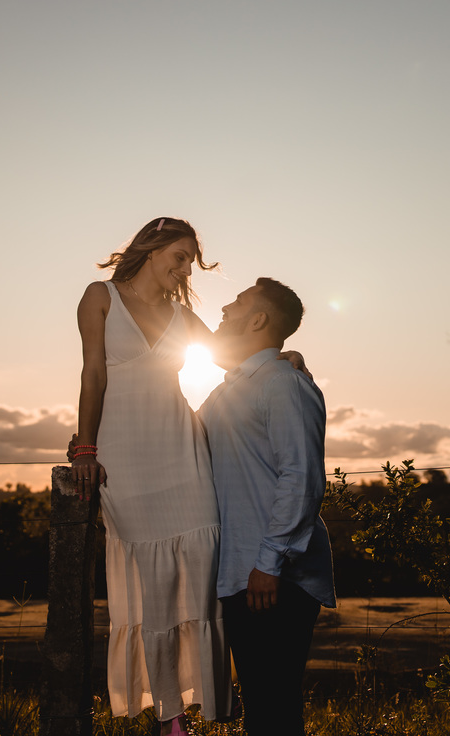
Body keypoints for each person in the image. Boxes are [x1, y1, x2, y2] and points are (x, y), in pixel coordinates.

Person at [65, 218, 305, 736]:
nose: (183, 269)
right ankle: (167, 714)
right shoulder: (99, 297)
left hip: (184, 451)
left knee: (197, 580)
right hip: (126, 457)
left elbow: (233, 354)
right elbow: (93, 373)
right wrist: (86, 447)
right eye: (178, 257)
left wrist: (284, 353)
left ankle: (198, 707)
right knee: (153, 584)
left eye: (189, 262)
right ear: (150, 250)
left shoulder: (182, 315)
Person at [199, 278, 336, 736]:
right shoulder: (223, 394)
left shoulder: (283, 385)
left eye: (236, 303)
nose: (224, 307)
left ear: (258, 319)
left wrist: (269, 563)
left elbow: (301, 479)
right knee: (260, 707)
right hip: (242, 573)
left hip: (273, 578)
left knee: (274, 709)